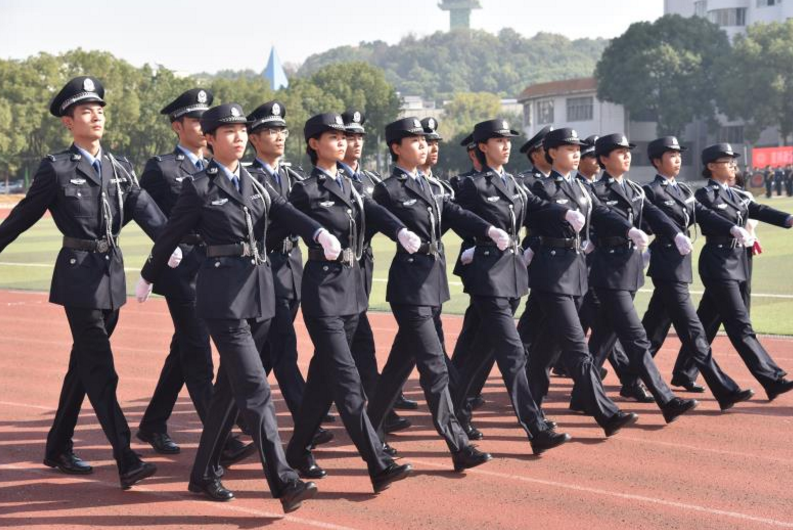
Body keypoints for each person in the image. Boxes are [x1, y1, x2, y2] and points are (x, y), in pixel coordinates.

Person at [137, 103, 326, 512]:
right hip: (221, 299)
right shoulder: (199, 186)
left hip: (259, 296)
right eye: (229, 131)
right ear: (210, 138)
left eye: (242, 130)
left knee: (227, 392)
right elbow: (170, 234)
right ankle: (285, 480)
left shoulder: (257, 185)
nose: (239, 136)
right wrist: (149, 274)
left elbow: (286, 212)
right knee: (256, 389)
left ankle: (203, 474)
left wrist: (318, 232)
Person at [0, 76, 171, 488]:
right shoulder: (56, 168)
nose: (96, 116)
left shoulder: (119, 167)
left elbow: (148, 212)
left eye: (99, 110)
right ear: (68, 122)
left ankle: (57, 446)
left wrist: (175, 246)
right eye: (85, 111)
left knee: (83, 367)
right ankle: (125, 456)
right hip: (78, 278)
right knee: (101, 368)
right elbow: (22, 216)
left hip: (110, 277)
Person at [285, 112, 414, 493]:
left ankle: (294, 452)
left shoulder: (351, 184)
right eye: (333, 136)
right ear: (313, 143)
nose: (342, 142)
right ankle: (377, 462)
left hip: (352, 294)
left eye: (345, 136)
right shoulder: (304, 190)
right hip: (323, 294)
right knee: (346, 379)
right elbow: (276, 225)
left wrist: (399, 229)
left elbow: (373, 212)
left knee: (321, 383)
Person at [366, 116, 495, 470]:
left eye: (425, 140)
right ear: (396, 148)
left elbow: (456, 213)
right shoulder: (388, 190)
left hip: (432, 285)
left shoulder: (433, 187)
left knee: (397, 367)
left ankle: (369, 427)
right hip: (409, 287)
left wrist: (487, 229)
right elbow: (369, 223)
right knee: (435, 367)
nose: (424, 145)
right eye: (415, 140)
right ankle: (458, 444)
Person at [136, 88, 253, 464]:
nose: (204, 127)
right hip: (182, 270)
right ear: (177, 126)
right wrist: (164, 255)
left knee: (183, 350)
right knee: (199, 353)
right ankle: (222, 438)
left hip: (217, 270)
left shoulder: (219, 168)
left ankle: (153, 422)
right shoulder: (162, 168)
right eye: (196, 121)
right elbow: (151, 216)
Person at [451, 119, 572, 454]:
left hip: (513, 276)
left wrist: (563, 212)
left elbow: (536, 207)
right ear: (482, 146)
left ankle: (455, 412)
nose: (505, 145)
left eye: (507, 140)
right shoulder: (470, 184)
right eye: (498, 140)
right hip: (487, 276)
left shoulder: (515, 184)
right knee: (512, 351)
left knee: (477, 353)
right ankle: (535, 427)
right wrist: (474, 242)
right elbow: (451, 215)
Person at [525, 128, 641, 437]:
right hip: (551, 273)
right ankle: (606, 413)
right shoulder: (537, 185)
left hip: (576, 274)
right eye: (569, 148)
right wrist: (560, 212)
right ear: (551, 153)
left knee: (544, 351)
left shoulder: (581, 186)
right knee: (578, 347)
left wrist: (629, 229)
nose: (577, 152)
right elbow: (532, 211)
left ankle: (530, 408)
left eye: (578, 147)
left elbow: (601, 212)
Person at [577, 134, 699, 424]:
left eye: (628, 152)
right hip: (607, 270)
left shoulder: (634, 189)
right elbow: (602, 213)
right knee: (636, 336)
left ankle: (581, 396)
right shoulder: (595, 189)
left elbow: (655, 215)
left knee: (604, 338)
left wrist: (676, 233)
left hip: (630, 270)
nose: (627, 156)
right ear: (604, 159)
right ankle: (666, 399)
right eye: (619, 153)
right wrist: (627, 230)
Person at [639, 137, 756, 412]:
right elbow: (646, 221)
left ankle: (629, 376)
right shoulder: (649, 191)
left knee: (652, 329)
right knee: (693, 331)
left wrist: (731, 228)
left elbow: (702, 213)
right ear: (657, 161)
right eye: (671, 155)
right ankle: (723, 390)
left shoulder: (682, 191)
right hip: (666, 266)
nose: (678, 159)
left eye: (680, 155)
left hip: (681, 267)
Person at [671, 143, 793, 402]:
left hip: (739, 262)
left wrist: (788, 219)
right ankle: (771, 379)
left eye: (733, 160)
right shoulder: (705, 196)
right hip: (718, 262)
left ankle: (684, 371)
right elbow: (705, 218)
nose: (733, 165)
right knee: (740, 325)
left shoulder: (738, 195)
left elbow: (758, 210)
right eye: (726, 161)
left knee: (707, 322)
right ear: (711, 166)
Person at [246, 100, 333, 447]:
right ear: (254, 138)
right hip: (265, 269)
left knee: (265, 350)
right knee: (284, 347)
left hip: (293, 268)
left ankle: (235, 411)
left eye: (282, 129)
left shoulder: (294, 176)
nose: (278, 136)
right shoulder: (249, 178)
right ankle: (304, 417)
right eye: (270, 130)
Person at [338, 109, 416, 430]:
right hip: (339, 267)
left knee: (355, 338)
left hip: (363, 264)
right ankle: (375, 411)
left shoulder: (371, 182)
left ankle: (377, 405)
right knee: (356, 341)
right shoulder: (332, 180)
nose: (355, 143)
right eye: (349, 137)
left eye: (359, 137)